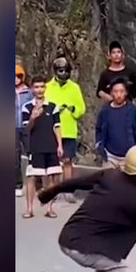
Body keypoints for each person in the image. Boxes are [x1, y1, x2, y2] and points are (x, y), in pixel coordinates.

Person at [21, 75, 63, 218]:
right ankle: (29, 209)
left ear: (45, 88)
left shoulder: (53, 106)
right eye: (37, 87)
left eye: (42, 87)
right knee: (31, 177)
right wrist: (33, 116)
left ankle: (50, 208)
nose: (39, 90)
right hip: (35, 146)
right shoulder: (27, 107)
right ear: (32, 89)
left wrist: (60, 145)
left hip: (51, 146)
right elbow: (26, 129)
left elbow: (57, 127)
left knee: (53, 177)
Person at [45, 57, 86, 203]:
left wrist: (73, 109)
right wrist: (54, 111)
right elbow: (44, 106)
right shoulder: (48, 87)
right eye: (61, 70)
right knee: (53, 161)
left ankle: (68, 190)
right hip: (52, 130)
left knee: (68, 160)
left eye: (66, 71)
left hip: (69, 129)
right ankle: (53, 190)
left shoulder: (74, 87)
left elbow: (81, 108)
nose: (63, 73)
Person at [95, 77, 136, 169]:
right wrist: (99, 144)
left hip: (129, 156)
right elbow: (98, 128)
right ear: (111, 92)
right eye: (115, 91)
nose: (119, 95)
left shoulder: (133, 109)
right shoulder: (105, 110)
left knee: (127, 182)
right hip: (110, 156)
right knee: (108, 181)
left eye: (122, 91)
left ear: (126, 92)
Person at [96, 40, 136, 106]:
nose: (116, 55)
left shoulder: (130, 72)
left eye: (118, 52)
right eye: (113, 52)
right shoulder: (105, 74)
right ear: (109, 56)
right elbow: (99, 92)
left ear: (122, 54)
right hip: (112, 109)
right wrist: (110, 98)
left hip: (128, 108)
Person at [15, 64, 33, 197]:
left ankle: (35, 183)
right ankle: (17, 184)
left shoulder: (29, 92)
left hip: (27, 126)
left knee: (32, 152)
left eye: (18, 76)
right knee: (15, 157)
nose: (16, 79)